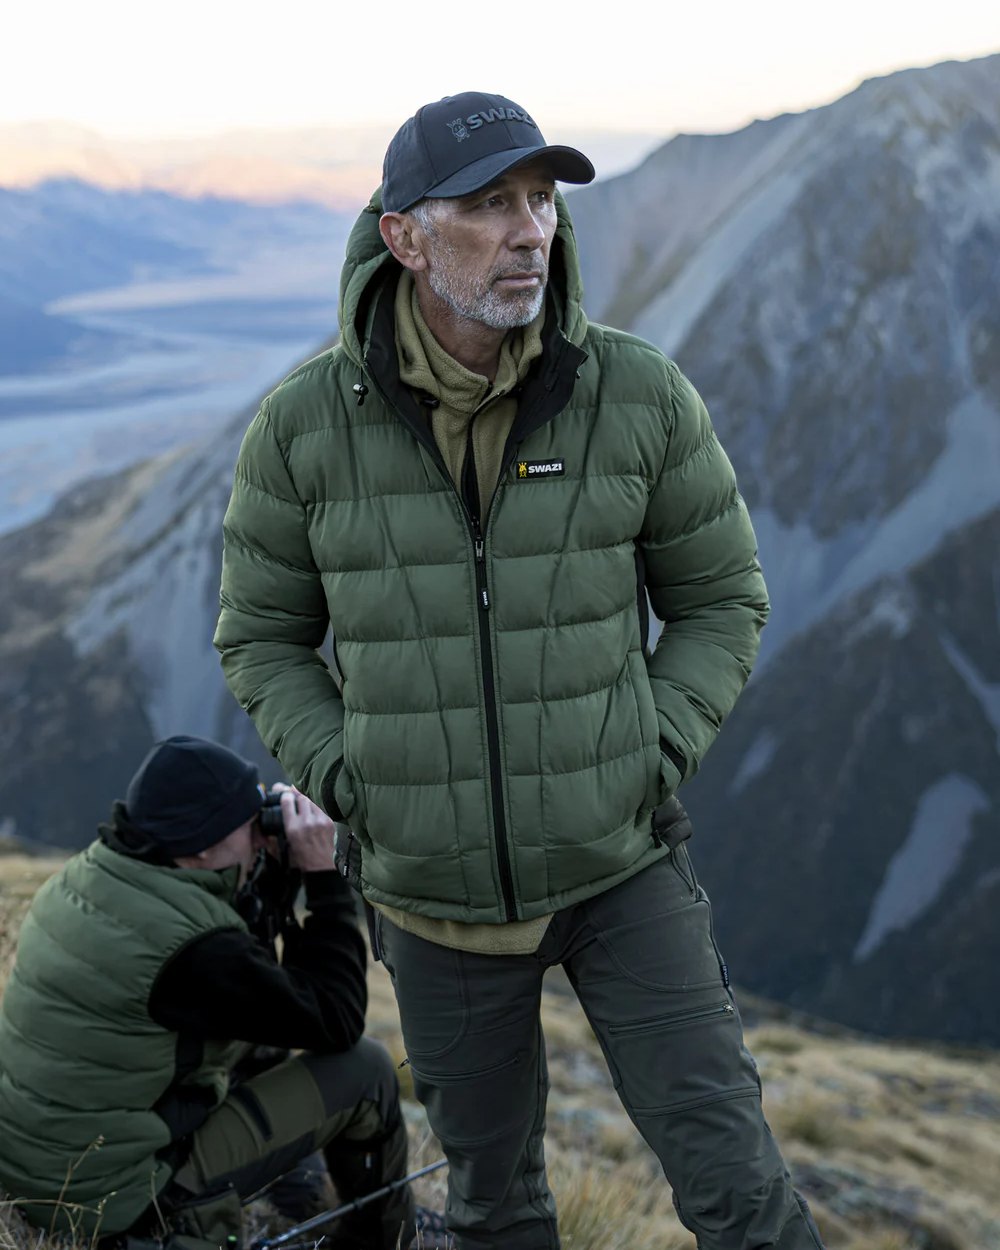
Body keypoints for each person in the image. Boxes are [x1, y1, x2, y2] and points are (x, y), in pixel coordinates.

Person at [214, 91, 825, 1249]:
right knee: (494, 1213)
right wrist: (358, 776)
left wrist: (652, 745)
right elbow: (260, 636)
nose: (528, 228)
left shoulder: (634, 394)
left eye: (540, 198)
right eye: (488, 203)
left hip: (619, 869)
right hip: (432, 902)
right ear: (404, 234)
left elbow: (721, 597)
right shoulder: (302, 428)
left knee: (740, 1188)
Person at [0, 735, 446, 1250]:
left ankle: (295, 1191)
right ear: (203, 845)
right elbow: (335, 1019)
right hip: (113, 1201)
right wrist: (324, 883)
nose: (259, 837)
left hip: (36, 1165)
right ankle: (384, 1236)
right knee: (366, 1071)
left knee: (254, 1038)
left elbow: (254, 990)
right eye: (247, 825)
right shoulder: (191, 951)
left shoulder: (93, 874)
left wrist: (271, 883)